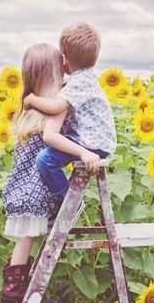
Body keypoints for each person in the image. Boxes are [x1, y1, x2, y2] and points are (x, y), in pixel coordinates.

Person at [1, 43, 98, 303]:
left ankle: (12, 288)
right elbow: (59, 142)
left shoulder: (28, 111)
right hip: (39, 192)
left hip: (21, 190)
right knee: (36, 232)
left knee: (25, 238)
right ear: (54, 74)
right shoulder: (53, 110)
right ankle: (22, 287)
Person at [23, 22, 117, 209]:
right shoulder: (84, 78)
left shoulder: (79, 82)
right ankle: (66, 201)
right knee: (48, 156)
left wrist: (32, 99)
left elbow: (56, 106)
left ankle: (69, 204)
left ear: (64, 58)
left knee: (45, 159)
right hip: (92, 140)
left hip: (91, 144)